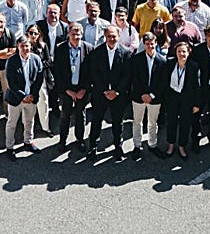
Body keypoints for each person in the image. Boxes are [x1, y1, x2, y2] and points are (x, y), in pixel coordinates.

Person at [87, 26, 131, 157]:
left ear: (118, 36)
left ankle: (118, 146)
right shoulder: (97, 52)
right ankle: (93, 147)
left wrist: (116, 92)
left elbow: (127, 75)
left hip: (118, 95)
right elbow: (94, 74)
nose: (112, 39)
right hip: (101, 93)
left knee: (118, 122)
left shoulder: (126, 53)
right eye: (109, 36)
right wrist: (105, 91)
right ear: (105, 37)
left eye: (114, 36)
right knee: (96, 121)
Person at [52, 23, 91, 153]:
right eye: (73, 34)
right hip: (66, 89)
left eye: (78, 34)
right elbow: (57, 71)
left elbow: (91, 72)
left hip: (82, 89)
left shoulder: (88, 48)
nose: (76, 37)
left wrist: (84, 89)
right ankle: (62, 140)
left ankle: (80, 139)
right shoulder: (60, 48)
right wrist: (66, 90)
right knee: (65, 115)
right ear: (68, 34)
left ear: (82, 34)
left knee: (80, 115)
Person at [3, 35, 44, 159]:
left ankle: (28, 141)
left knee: (29, 121)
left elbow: (39, 78)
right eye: (22, 46)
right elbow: (11, 83)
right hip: (16, 99)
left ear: (30, 46)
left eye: (27, 46)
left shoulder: (36, 59)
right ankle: (9, 147)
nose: (25, 48)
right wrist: (23, 96)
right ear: (18, 47)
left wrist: (32, 95)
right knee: (12, 123)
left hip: (32, 98)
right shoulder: (12, 61)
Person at [160, 40, 200, 159]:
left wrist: (197, 104)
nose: (181, 54)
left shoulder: (193, 66)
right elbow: (164, 82)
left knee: (185, 124)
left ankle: (182, 146)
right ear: (175, 53)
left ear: (188, 52)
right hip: (172, 97)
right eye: (179, 51)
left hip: (187, 99)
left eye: (184, 51)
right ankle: (171, 145)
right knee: (171, 122)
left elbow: (198, 87)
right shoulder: (170, 63)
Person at [129, 31, 166, 157]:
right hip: (138, 97)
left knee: (152, 122)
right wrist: (143, 95)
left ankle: (152, 144)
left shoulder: (162, 61)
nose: (150, 46)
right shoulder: (136, 59)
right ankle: (137, 146)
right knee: (137, 122)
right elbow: (134, 79)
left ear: (156, 43)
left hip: (155, 98)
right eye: (147, 44)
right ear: (144, 44)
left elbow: (163, 82)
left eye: (152, 44)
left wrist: (152, 95)